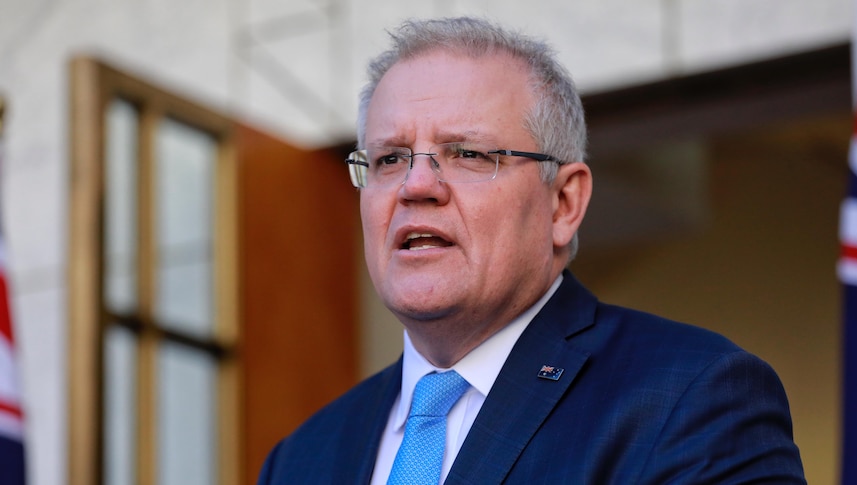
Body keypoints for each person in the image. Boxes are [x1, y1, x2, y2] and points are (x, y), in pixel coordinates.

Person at [257, 16, 806, 484]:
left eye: (468, 153)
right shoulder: (301, 459)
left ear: (564, 203)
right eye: (389, 159)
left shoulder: (693, 399)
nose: (415, 186)